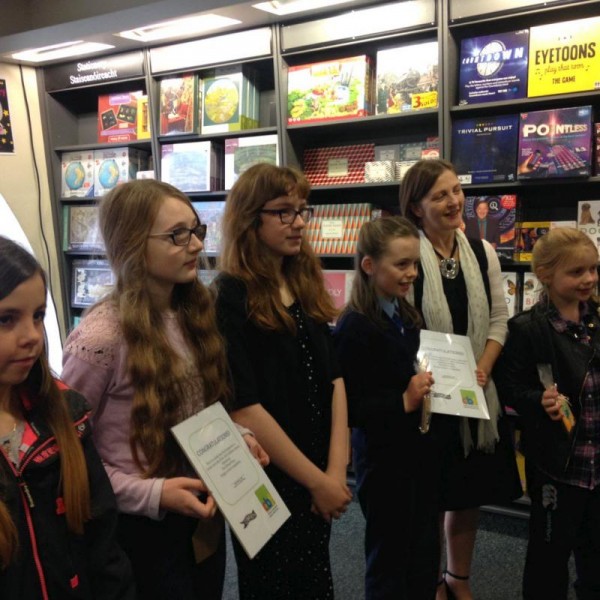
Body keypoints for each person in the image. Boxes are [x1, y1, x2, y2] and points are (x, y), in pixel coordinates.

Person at [61, 180, 267, 600]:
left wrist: (238, 437)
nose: (194, 245)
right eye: (177, 235)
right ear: (133, 244)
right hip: (139, 529)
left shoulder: (192, 312)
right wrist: (153, 493)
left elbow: (202, 409)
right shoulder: (101, 338)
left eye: (197, 231)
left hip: (200, 512)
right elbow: (73, 460)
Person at [214, 163, 352, 600]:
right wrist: (316, 481)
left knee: (315, 583)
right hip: (267, 476)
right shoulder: (230, 295)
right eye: (283, 212)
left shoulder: (302, 279)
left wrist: (335, 472)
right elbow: (244, 406)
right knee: (274, 586)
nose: (298, 223)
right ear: (250, 218)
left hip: (316, 471)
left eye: (302, 211)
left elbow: (335, 379)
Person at [400, 159, 522, 600]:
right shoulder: (406, 253)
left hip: (474, 393)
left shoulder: (481, 250)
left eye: (456, 191)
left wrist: (484, 365)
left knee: (467, 494)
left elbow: (498, 318)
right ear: (416, 208)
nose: (454, 201)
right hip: (428, 396)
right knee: (429, 496)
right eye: (440, 195)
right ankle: (432, 579)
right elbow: (398, 327)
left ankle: (459, 578)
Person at [0, 236, 134, 599]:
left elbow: (102, 541)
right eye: (6, 319)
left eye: (38, 316)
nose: (31, 336)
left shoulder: (65, 413)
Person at [333, 216, 439, 599]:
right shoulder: (355, 327)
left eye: (414, 264)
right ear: (369, 266)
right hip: (383, 462)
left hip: (418, 454)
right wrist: (402, 401)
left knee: (424, 551)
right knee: (390, 557)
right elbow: (352, 407)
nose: (411, 273)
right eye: (401, 264)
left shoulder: (406, 315)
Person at [495, 228, 600, 600]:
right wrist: (537, 400)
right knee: (548, 560)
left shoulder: (596, 321)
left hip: (596, 466)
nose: (589, 279)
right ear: (545, 275)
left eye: (593, 269)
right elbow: (508, 388)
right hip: (558, 466)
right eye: (577, 272)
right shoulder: (527, 329)